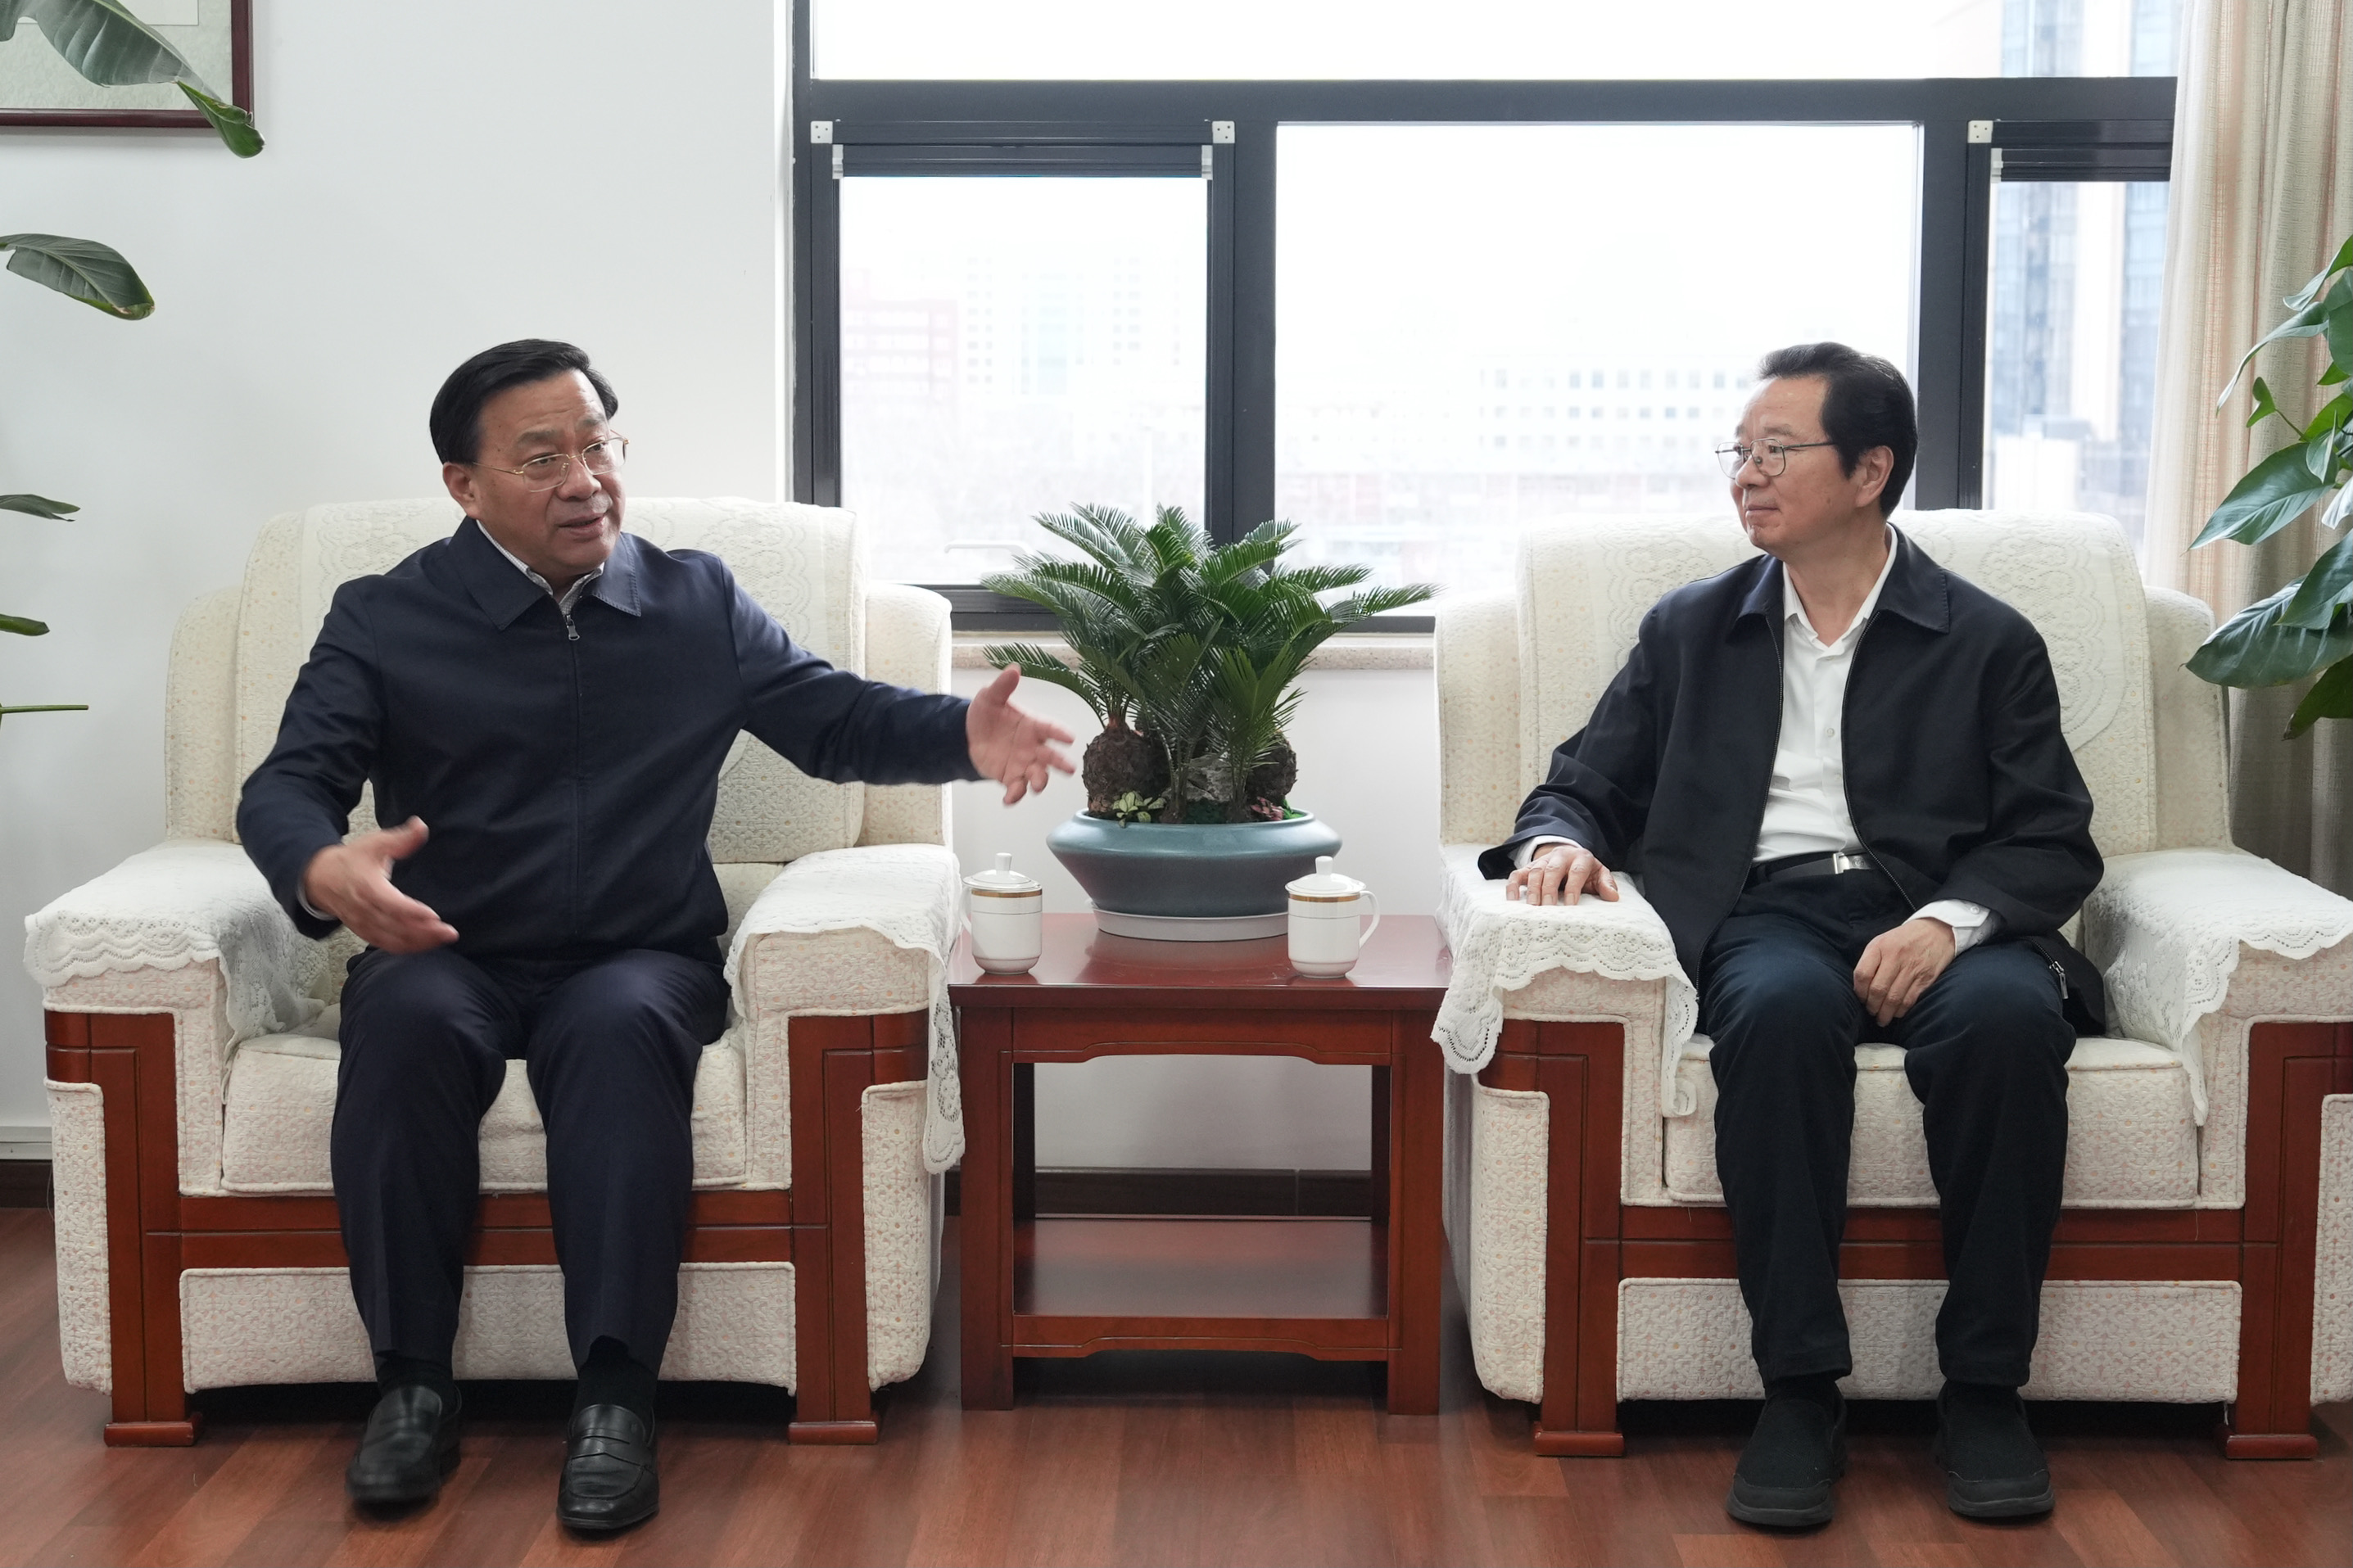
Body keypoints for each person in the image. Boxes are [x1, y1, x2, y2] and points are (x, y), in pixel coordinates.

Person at [238, 339, 1073, 1533]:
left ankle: (616, 1399)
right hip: (447, 948)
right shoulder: (384, 616)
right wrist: (322, 867)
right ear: (464, 485)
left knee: (621, 1029)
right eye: (542, 458)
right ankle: (411, 1388)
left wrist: (960, 738)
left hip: (637, 956)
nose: (585, 480)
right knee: (407, 1026)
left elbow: (832, 720)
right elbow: (288, 784)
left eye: (598, 446)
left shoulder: (694, 601)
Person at [1483, 342, 2102, 1529]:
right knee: (1773, 1015)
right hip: (1766, 912)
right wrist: (1558, 843)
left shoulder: (1985, 639)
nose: (1746, 475)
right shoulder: (1690, 629)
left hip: (1939, 914)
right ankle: (1800, 1391)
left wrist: (1945, 924)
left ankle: (1984, 1390)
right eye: (1740, 451)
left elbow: (2051, 837)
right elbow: (1583, 782)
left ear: (1870, 471)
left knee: (2011, 1026)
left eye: (1778, 451)